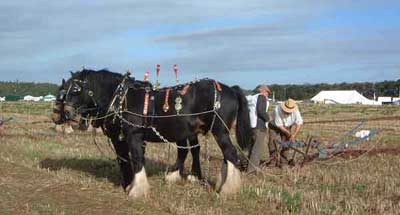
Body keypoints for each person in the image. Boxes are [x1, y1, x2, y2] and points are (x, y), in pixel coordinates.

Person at [268, 98, 303, 165]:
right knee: (272, 142)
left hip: (287, 126)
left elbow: (299, 123)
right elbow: (279, 125)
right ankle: (272, 161)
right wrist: (288, 133)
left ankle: (283, 162)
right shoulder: (277, 109)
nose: (288, 112)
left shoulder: (296, 111)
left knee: (287, 143)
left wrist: (293, 135)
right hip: (274, 125)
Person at [247, 85, 270, 173]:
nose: (268, 94)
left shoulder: (252, 98)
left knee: (252, 148)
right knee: (257, 149)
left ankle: (248, 166)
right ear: (264, 91)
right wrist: (268, 119)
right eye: (267, 92)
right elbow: (261, 111)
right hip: (259, 126)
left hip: (251, 126)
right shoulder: (262, 97)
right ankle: (252, 170)